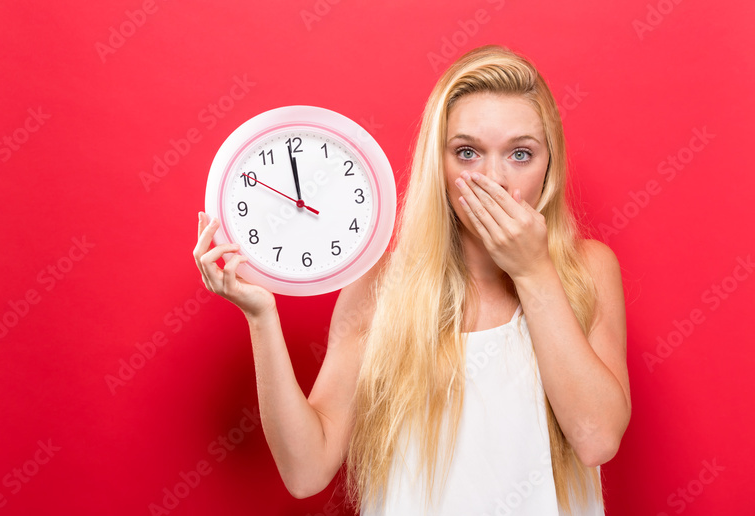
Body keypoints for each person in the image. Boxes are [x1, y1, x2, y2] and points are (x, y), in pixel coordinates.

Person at [192, 44, 630, 515]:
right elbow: (306, 470)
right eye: (467, 153)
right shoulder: (381, 282)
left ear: (550, 166)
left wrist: (532, 269)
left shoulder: (587, 269)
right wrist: (261, 317)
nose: (494, 180)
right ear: (437, 166)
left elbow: (597, 440)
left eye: (521, 154)